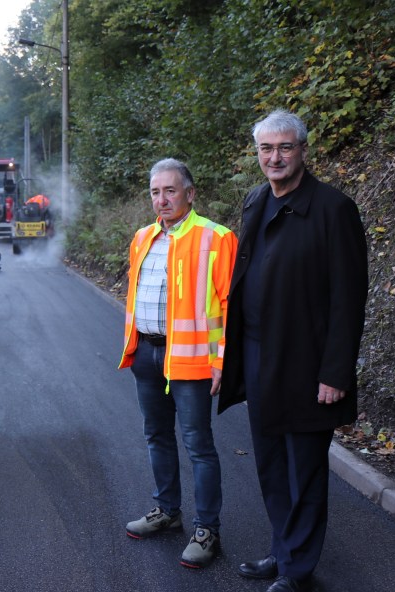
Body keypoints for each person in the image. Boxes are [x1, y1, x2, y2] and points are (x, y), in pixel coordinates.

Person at [218, 110, 368, 592]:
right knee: (271, 463)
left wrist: (335, 372)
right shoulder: (256, 200)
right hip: (260, 354)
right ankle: (283, 552)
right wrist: (231, 359)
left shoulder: (333, 209)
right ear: (257, 153)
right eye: (266, 149)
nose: (275, 157)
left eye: (285, 147)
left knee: (304, 469)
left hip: (307, 363)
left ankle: (298, 570)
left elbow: (349, 299)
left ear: (304, 150)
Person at [118, 158, 237, 569]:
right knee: (156, 436)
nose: (162, 199)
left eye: (170, 191)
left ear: (190, 194)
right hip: (148, 354)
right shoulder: (142, 238)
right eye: (155, 192)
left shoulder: (216, 238)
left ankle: (207, 530)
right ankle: (167, 511)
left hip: (190, 358)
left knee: (198, 445)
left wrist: (222, 359)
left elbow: (228, 304)